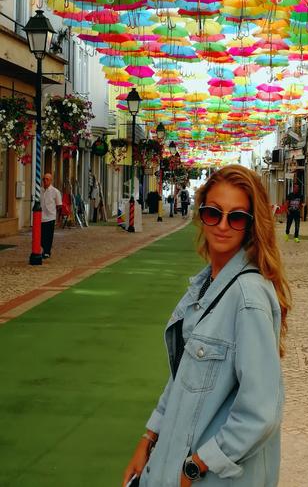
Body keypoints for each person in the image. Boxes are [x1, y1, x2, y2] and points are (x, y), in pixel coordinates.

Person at [122, 164, 291, 487]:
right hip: (171, 461)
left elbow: (262, 410)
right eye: (214, 213)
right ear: (201, 215)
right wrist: (149, 438)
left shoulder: (248, 296)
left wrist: (198, 465)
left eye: (237, 217)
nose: (223, 226)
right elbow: (183, 377)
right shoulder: (205, 285)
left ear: (252, 225)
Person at [40, 173, 62, 259]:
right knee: (41, 236)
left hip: (50, 217)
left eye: (47, 179)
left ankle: (47, 251)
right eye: (44, 179)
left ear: (51, 181)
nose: (45, 181)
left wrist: (58, 219)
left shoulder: (55, 191)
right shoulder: (40, 190)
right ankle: (43, 248)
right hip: (41, 217)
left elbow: (59, 206)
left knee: (48, 236)